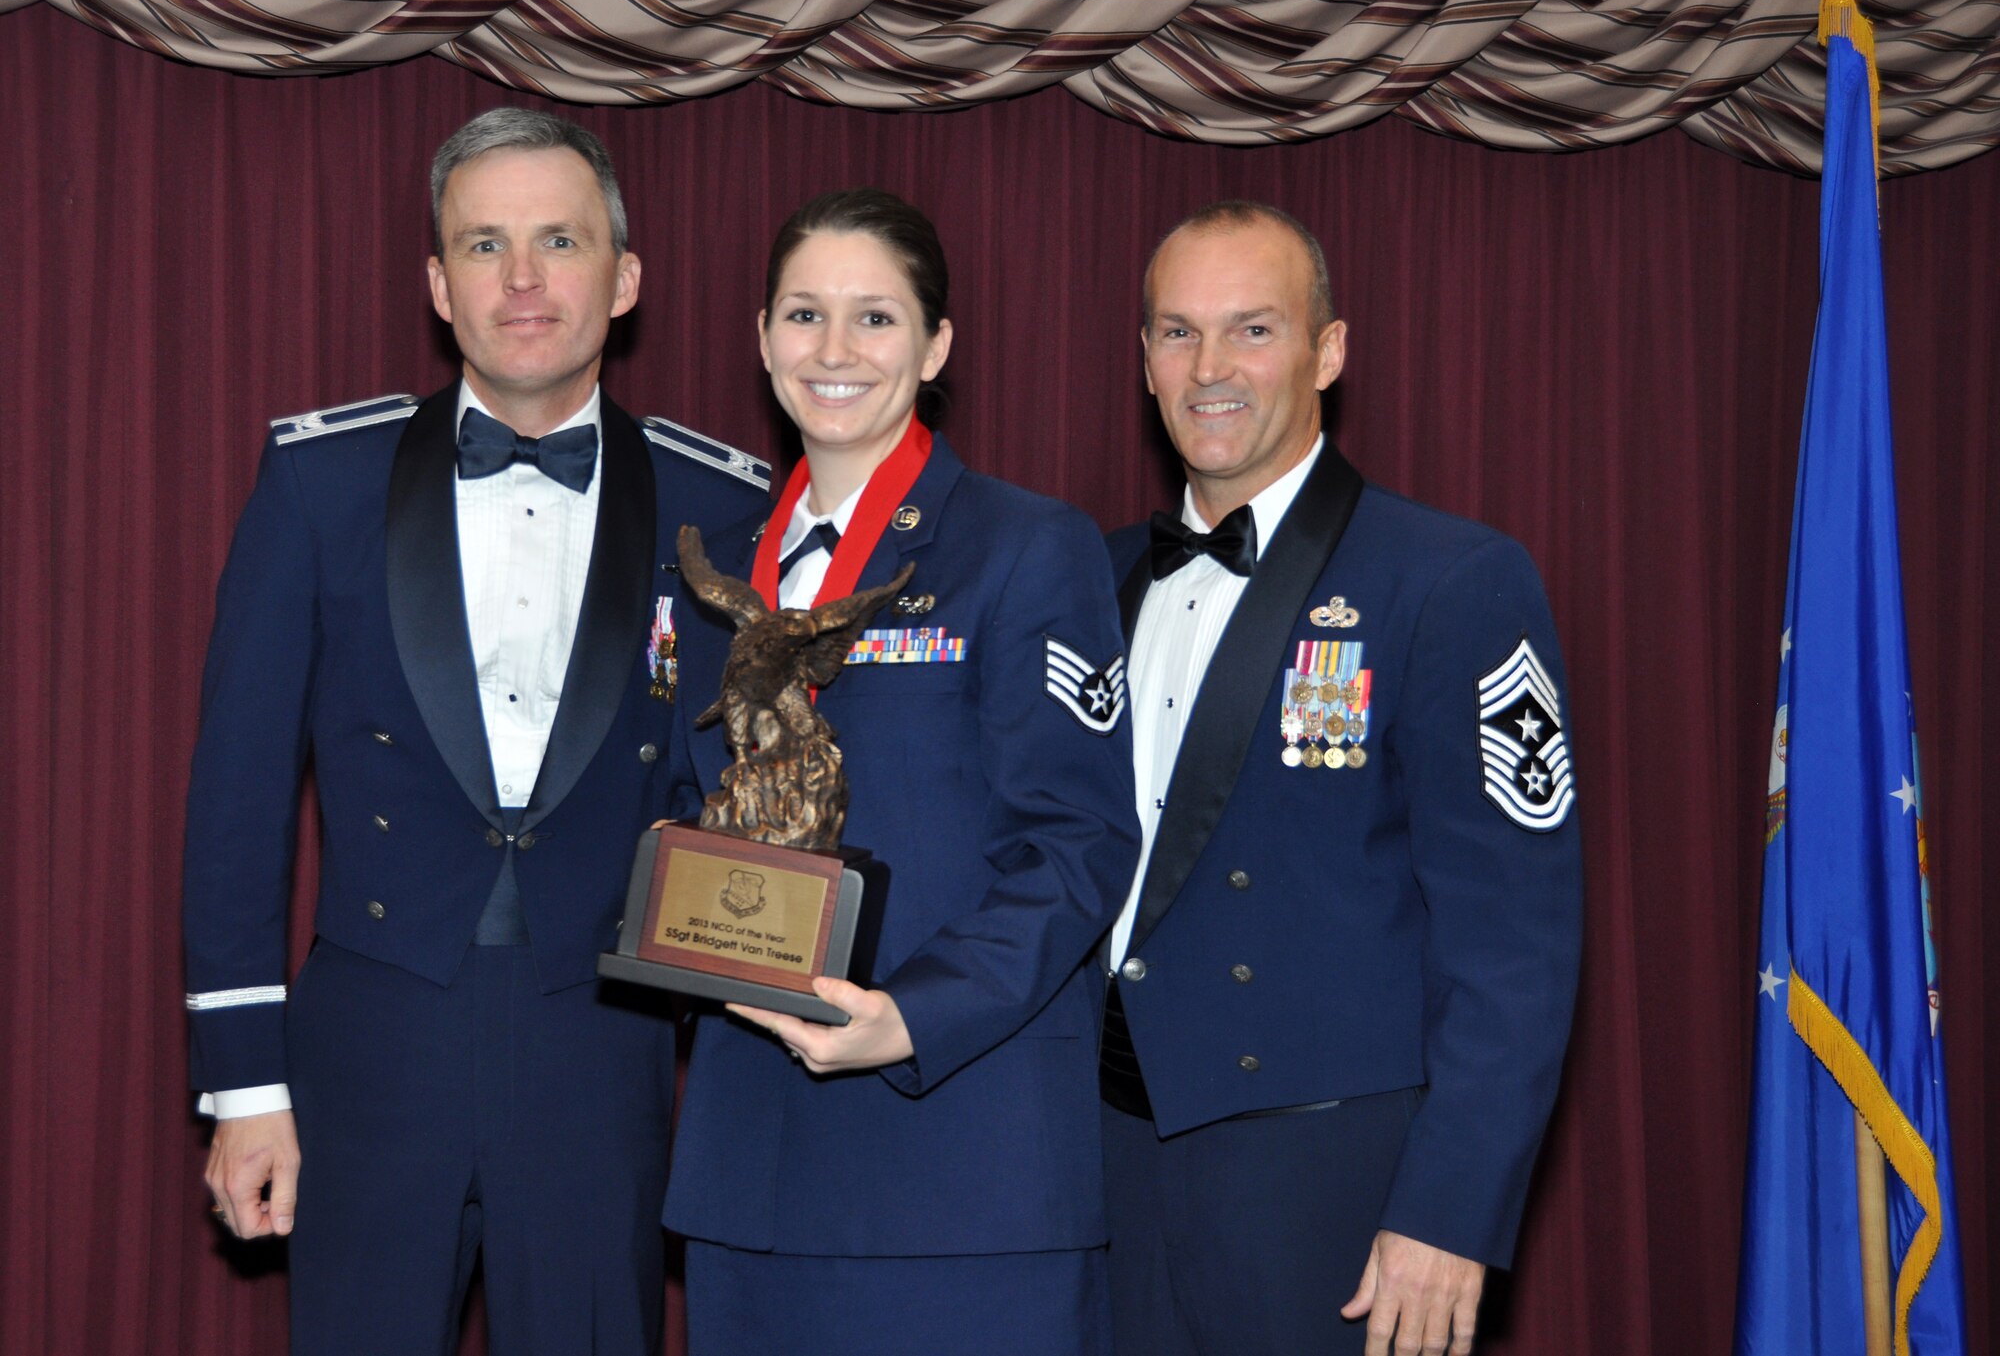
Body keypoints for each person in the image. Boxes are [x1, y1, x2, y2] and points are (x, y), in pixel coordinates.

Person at [181, 107, 770, 1355]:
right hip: (376, 1039)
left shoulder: (717, 508)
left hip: (602, 1042)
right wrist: (243, 1083)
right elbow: (235, 799)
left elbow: (746, 794)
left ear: (624, 277)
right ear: (438, 284)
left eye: (558, 239)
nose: (522, 279)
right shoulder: (318, 483)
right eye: (485, 244)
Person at [1097, 200, 1583, 1356]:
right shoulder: (1093, 574)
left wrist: (1446, 1212)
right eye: (1176, 332)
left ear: (1327, 350)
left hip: (1331, 1187)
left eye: (1250, 329)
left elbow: (1514, 943)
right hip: (1101, 1164)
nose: (1209, 368)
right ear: (1145, 361)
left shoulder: (1452, 578)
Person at [661, 187, 1141, 1356]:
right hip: (750, 1181)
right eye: (803, 314)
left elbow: (1078, 845)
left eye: (874, 319)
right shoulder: (709, 569)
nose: (833, 351)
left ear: (934, 347)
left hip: (958, 1164)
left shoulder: (1026, 548)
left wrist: (907, 1018)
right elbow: (690, 809)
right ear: (760, 336)